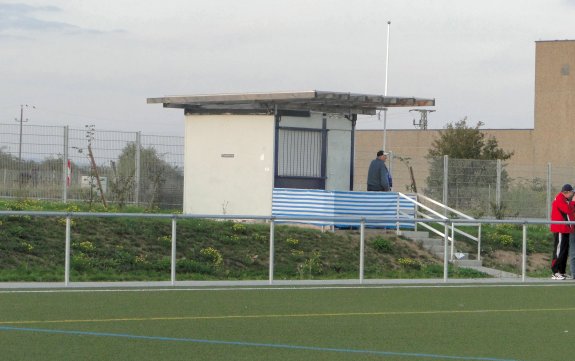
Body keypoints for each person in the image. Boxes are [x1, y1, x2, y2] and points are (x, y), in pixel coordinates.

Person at [550, 184, 575, 280]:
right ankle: (555, 272)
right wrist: (573, 203)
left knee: (564, 251)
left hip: (565, 229)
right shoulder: (560, 199)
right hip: (559, 229)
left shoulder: (566, 200)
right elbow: (567, 210)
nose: (572, 194)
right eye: (571, 192)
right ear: (566, 192)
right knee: (559, 250)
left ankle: (561, 271)